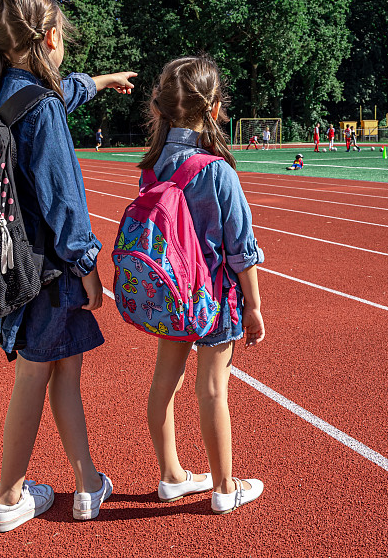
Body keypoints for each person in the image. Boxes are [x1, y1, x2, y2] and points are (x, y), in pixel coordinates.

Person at [0, 0, 136, 532]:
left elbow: (58, 91)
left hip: (18, 263)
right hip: (48, 270)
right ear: (51, 36)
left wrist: (100, 81)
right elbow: (64, 201)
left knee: (65, 371)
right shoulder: (41, 109)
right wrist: (88, 267)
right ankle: (9, 496)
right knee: (35, 376)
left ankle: (88, 483)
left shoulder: (2, 94)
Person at [138, 55, 266, 514]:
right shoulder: (217, 171)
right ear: (214, 109)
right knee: (212, 389)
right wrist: (253, 306)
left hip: (170, 294)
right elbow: (241, 249)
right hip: (215, 297)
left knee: (163, 384)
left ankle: (171, 475)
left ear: (163, 108)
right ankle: (224, 487)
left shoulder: (151, 168)